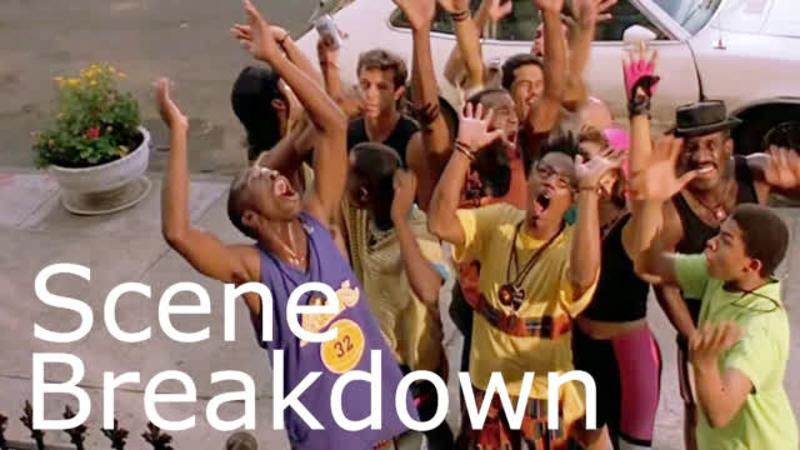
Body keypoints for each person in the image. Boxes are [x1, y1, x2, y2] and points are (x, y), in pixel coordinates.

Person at [160, 1, 416, 448]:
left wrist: (277, 58)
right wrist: (178, 133)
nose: (278, 177)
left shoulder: (317, 220)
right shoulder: (254, 271)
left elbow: (333, 124)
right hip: (330, 437)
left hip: (384, 418)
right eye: (263, 179)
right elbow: (178, 234)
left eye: (276, 174)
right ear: (250, 217)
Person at [628, 45, 800, 448]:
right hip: (697, 318)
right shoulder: (698, 248)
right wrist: (693, 338)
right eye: (691, 146)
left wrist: (794, 181)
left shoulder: (754, 172)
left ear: (728, 147)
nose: (700, 155)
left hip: (738, 319)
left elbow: (720, 411)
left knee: (727, 406)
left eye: (710, 144)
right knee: (699, 411)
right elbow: (655, 275)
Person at [428, 102, 620, 449]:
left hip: (541, 403)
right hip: (486, 394)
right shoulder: (499, 221)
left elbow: (582, 276)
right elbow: (440, 223)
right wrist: (463, 149)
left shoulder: (572, 246)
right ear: (529, 178)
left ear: (571, 199)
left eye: (563, 182)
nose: (549, 182)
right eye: (543, 172)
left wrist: (590, 191)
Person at [343, 143, 454, 449]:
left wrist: (400, 220)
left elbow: (429, 290)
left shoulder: (418, 231)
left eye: (347, 174)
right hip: (383, 362)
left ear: (364, 193)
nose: (340, 180)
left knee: (428, 433)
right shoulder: (362, 217)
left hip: (417, 369)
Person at [571, 125, 662, 450]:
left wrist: (640, 115)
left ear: (613, 174)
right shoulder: (574, 222)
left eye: (590, 160)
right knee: (586, 439)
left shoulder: (632, 226)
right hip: (580, 349)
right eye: (577, 159)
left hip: (629, 356)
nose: (580, 167)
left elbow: (647, 197)